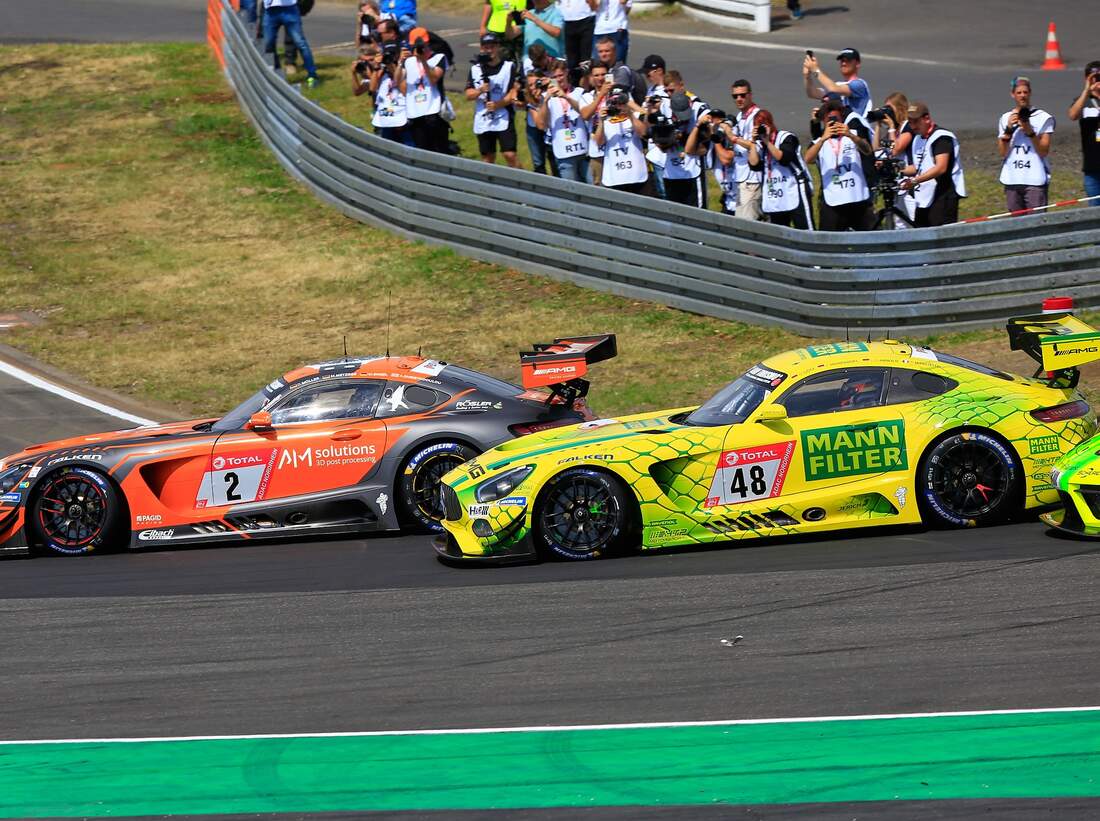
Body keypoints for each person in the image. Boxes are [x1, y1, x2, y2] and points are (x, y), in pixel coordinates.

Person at [804, 98, 874, 230]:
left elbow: (867, 150)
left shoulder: (853, 134)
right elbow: (808, 159)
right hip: (833, 201)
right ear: (824, 121)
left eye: (836, 118)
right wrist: (823, 138)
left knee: (867, 241)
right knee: (829, 244)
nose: (833, 122)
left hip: (857, 199)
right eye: (829, 119)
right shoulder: (819, 142)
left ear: (841, 118)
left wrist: (850, 135)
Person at [900, 101, 967, 227]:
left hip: (944, 194)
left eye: (916, 121)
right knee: (921, 232)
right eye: (910, 122)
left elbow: (941, 168)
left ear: (926, 118)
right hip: (925, 195)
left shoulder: (942, 137)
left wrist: (915, 181)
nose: (913, 126)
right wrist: (897, 169)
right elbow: (918, 167)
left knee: (942, 237)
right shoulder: (918, 138)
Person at [997, 76, 1054, 213]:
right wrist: (1009, 130)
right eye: (1019, 93)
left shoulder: (1043, 117)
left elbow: (1043, 151)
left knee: (1037, 222)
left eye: (1025, 92)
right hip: (1012, 178)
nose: (1022, 96)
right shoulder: (1005, 118)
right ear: (1013, 94)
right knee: (1016, 224)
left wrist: (1030, 132)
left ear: (1030, 93)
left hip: (1034, 179)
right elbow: (1003, 152)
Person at [752, 110, 814, 229]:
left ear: (770, 124)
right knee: (779, 233)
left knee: (805, 230)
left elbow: (784, 158)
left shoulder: (787, 137)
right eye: (757, 126)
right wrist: (753, 142)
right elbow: (754, 165)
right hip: (775, 195)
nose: (761, 129)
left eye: (763, 125)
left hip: (794, 189)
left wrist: (767, 141)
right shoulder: (759, 145)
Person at [466, 34, 521, 167]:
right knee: (487, 158)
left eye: (492, 47)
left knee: (510, 154)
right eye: (486, 47)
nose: (489, 50)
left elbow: (514, 91)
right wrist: (480, 90)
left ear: (498, 47)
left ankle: (522, 181)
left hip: (504, 116)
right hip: (483, 118)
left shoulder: (508, 67)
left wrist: (498, 104)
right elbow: (468, 94)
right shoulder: (475, 69)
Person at [534, 61, 590, 181]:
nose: (558, 80)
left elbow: (585, 112)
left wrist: (565, 96)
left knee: (593, 187)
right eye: (554, 77)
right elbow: (541, 124)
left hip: (583, 150)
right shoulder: (546, 97)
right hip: (564, 153)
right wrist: (546, 100)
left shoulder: (579, 92)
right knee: (572, 190)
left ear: (566, 73)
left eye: (560, 75)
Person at [594, 85, 649, 193]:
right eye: (614, 102)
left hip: (636, 175)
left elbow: (643, 133)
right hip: (614, 177)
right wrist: (601, 121)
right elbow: (599, 142)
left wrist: (630, 114)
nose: (618, 106)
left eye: (621, 102)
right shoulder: (604, 119)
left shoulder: (637, 116)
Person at [657, 92, 708, 207]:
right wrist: (671, 139)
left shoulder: (698, 118)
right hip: (671, 175)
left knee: (698, 215)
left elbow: (703, 150)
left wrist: (684, 139)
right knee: (674, 215)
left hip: (692, 174)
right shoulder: (664, 117)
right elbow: (661, 147)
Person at [353, 44, 411, 145]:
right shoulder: (378, 74)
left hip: (402, 120)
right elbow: (371, 89)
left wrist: (390, 65)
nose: (369, 64)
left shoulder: (402, 70)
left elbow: (403, 87)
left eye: (371, 60)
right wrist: (354, 73)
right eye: (365, 62)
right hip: (385, 120)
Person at [404, 27, 449, 153]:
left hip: (434, 112)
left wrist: (423, 60)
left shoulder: (439, 58)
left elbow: (434, 79)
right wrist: (398, 62)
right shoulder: (408, 62)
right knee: (422, 151)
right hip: (416, 113)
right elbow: (401, 85)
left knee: (439, 151)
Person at [261, 0, 319, 87]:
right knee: (268, 43)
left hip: (289, 10)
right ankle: (277, 72)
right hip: (270, 11)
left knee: (300, 42)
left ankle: (312, 75)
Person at [803, 47, 871, 119]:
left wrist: (815, 69)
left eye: (848, 60)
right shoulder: (838, 85)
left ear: (857, 64)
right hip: (843, 128)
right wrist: (807, 76)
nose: (844, 63)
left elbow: (833, 89)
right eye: (842, 60)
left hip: (859, 128)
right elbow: (813, 93)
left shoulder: (859, 85)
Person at [729, 79, 763, 219]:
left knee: (749, 224)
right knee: (741, 223)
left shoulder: (758, 116)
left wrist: (733, 137)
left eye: (743, 95)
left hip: (752, 179)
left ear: (750, 95)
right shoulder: (740, 116)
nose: (739, 99)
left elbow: (756, 146)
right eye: (735, 96)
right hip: (741, 177)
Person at [1069, 61, 1100, 207]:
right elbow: (1073, 115)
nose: (1097, 80)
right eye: (1093, 77)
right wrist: (1087, 90)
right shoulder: (1083, 102)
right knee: (1095, 213)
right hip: (1092, 168)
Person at [639, 54, 670, 199]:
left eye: (648, 73)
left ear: (659, 71)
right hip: (653, 149)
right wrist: (648, 111)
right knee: (660, 192)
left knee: (667, 192)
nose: (646, 76)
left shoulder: (669, 90)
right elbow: (647, 121)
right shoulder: (651, 90)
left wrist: (659, 106)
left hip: (667, 149)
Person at [579, 63, 610, 183]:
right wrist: (601, 95)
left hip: (616, 147)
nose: (600, 78)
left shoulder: (617, 93)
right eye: (596, 75)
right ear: (591, 78)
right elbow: (585, 115)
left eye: (603, 74)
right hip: (597, 151)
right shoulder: (586, 97)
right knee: (599, 185)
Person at [480, 0, 526, 66]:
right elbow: (488, 4)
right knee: (499, 60)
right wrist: (483, 26)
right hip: (497, 29)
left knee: (522, 59)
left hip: (518, 28)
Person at [558, 0, 599, 69]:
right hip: (567, 21)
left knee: (586, 59)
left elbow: (594, 6)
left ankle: (586, 76)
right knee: (571, 61)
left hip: (586, 18)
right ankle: (574, 77)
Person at [593, 0, 631, 65]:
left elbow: (624, 4)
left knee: (618, 64)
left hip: (618, 28)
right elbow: (594, 7)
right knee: (598, 64)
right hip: (599, 29)